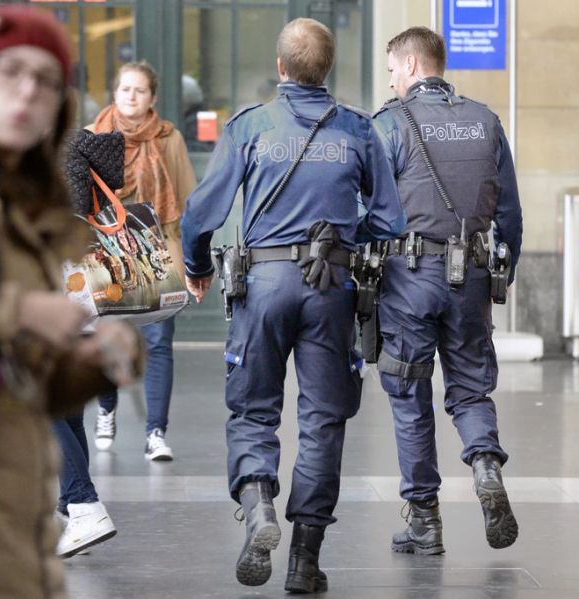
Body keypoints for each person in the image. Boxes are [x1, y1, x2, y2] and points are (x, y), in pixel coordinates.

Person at [179, 18, 405, 592]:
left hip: (263, 284)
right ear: (326, 69)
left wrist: (198, 266)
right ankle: (305, 562)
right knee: (323, 420)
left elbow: (201, 212)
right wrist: (341, 234)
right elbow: (390, 221)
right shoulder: (357, 129)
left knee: (254, 411)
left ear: (282, 68)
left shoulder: (250, 127)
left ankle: (258, 508)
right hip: (332, 286)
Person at [0, 6, 140, 598]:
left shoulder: (36, 208)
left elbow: (26, 382)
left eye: (47, 80)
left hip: (13, 538)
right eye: (10, 72)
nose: (28, 91)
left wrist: (95, 361)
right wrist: (25, 313)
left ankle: (77, 508)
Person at [371, 27, 523, 554]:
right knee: (470, 389)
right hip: (471, 276)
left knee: (409, 394)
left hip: (408, 281)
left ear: (412, 66)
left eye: (392, 68)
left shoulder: (389, 125)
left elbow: (369, 212)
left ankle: (425, 521)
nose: (390, 78)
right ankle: (485, 467)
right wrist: (500, 269)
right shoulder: (485, 121)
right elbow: (510, 214)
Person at [89, 60, 197, 461]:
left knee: (159, 343)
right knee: (104, 342)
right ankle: (105, 408)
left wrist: (190, 265)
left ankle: (156, 432)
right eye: (124, 90)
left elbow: (187, 202)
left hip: (157, 252)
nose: (131, 97)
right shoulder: (93, 137)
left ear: (152, 98)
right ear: (114, 94)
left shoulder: (169, 139)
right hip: (106, 255)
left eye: (139, 90)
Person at [52, 128, 127, 558]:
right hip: (79, 292)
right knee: (67, 410)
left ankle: (83, 505)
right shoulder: (72, 143)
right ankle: (69, 509)